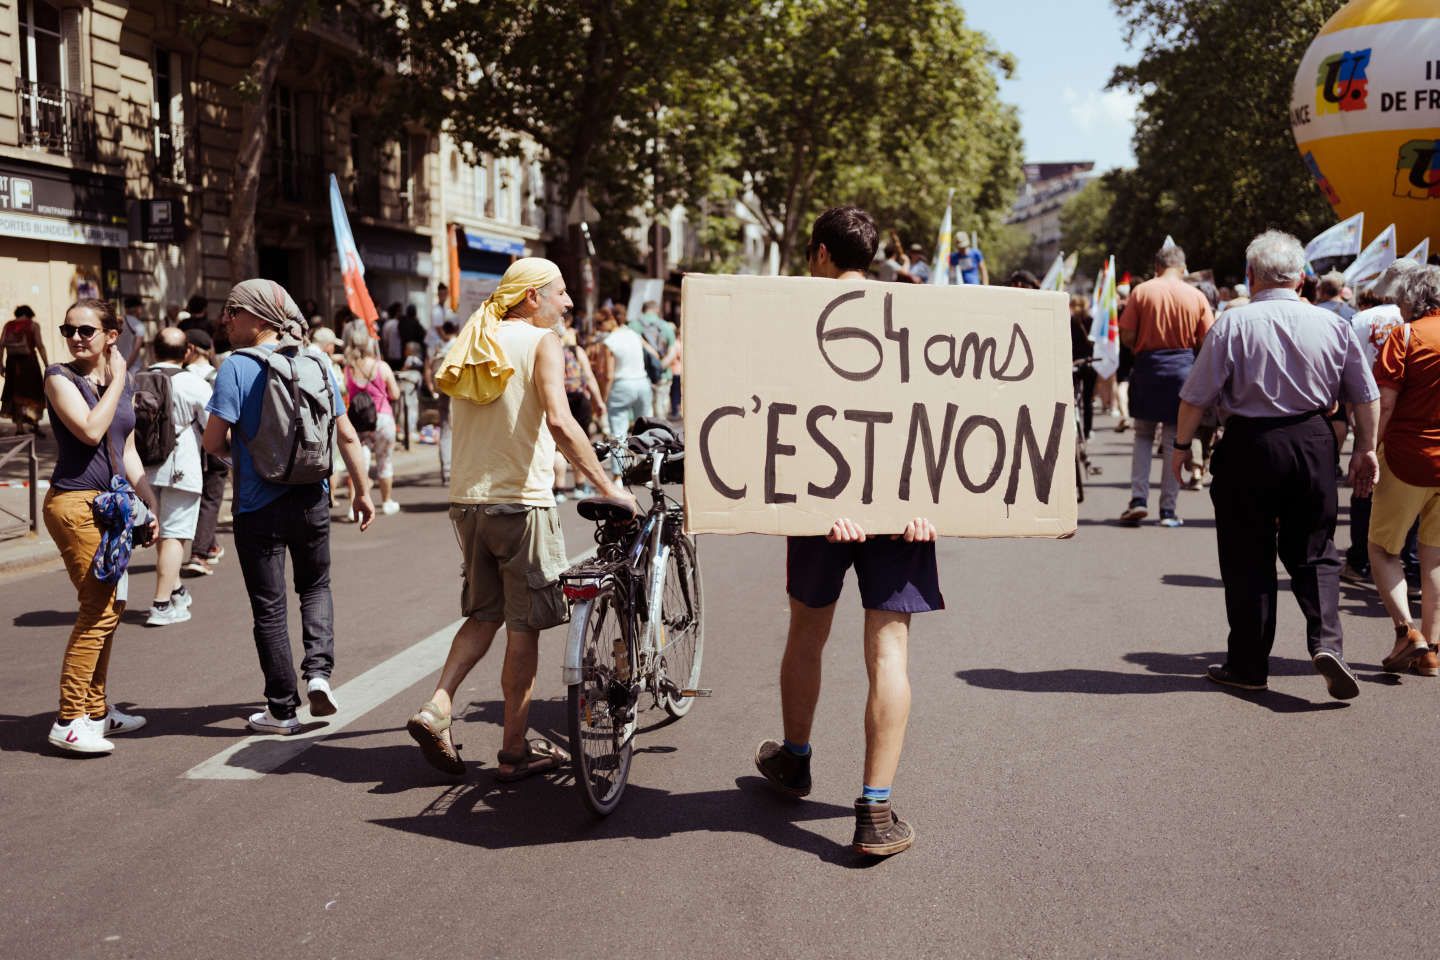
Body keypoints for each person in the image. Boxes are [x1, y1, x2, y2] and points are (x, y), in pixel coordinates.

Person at [753, 205, 940, 858]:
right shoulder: (916, 320)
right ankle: (875, 811)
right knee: (889, 651)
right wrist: (929, 500)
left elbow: (773, 406)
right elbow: (941, 412)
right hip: (903, 507)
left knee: (808, 631)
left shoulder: (792, 319)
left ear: (821, 255)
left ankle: (796, 759)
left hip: (817, 505)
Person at [405, 257, 636, 780]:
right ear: (532, 298)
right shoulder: (539, 343)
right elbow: (560, 420)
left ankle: (438, 706)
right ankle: (514, 751)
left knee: (483, 616)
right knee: (524, 627)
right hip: (521, 504)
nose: (569, 302)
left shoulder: (473, 337)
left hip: (468, 503)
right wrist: (610, 488)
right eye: (560, 293)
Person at [1172, 230, 1379, 701]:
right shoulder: (1334, 325)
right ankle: (1327, 643)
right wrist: (1366, 448)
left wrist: (1181, 448)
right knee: (1317, 550)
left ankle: (1247, 665)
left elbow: (1195, 396)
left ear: (1251, 277)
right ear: (1302, 279)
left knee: (1248, 556)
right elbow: (1364, 395)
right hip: (1312, 438)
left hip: (1249, 444)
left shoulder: (1232, 323)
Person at [202, 279, 375, 735]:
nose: (226, 319)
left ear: (257, 317)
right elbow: (348, 434)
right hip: (313, 499)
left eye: (232, 311)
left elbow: (212, 441)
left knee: (270, 607)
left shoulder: (235, 367)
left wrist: (245, 456)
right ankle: (319, 674)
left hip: (258, 507)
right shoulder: (316, 360)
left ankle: (281, 710)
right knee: (316, 587)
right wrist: (362, 491)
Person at [42, 299, 160, 754]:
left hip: (112, 506)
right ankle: (69, 719)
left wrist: (148, 504)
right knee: (99, 610)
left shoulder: (116, 383)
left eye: (86, 330)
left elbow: (125, 449)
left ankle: (96, 710)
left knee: (113, 607)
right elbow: (91, 430)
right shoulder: (59, 377)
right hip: (74, 505)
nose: (75, 338)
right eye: (69, 329)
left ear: (110, 334)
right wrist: (121, 378)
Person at [1366, 266, 1440, 677]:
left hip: (1408, 456)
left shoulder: (1407, 336)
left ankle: (1406, 632)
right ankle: (1432, 652)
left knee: (1382, 548)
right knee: (1435, 556)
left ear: (1413, 298)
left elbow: (1387, 402)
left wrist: (1370, 449)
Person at [1118, 242, 1215, 528]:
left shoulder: (1142, 291)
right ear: (1182, 267)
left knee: (1143, 435)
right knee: (1176, 438)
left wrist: (1140, 347)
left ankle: (1138, 498)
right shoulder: (1195, 295)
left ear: (1157, 266)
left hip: (1148, 367)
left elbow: (1127, 332)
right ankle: (1169, 509)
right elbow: (1207, 338)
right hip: (1182, 371)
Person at [1342, 260, 1422, 584]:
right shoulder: (1426, 323)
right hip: (1416, 418)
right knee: (1414, 491)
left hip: (1372, 414)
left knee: (1366, 486)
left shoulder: (1362, 319)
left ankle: (1360, 560)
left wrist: (1354, 418)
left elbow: (1348, 372)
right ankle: (1410, 563)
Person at [141, 327, 212, 626]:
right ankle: (160, 606)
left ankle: (176, 590)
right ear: (187, 353)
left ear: (153, 351)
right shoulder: (193, 383)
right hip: (181, 467)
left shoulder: (135, 378)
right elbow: (214, 426)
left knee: (163, 533)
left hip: (142, 469)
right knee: (175, 536)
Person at [342, 326, 402, 516]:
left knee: (359, 464)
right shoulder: (381, 366)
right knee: (384, 461)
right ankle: (386, 502)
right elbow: (395, 393)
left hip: (359, 422)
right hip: (382, 419)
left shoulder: (348, 369)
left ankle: (355, 507)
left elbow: (345, 391)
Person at [181, 329, 227, 578]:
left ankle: (209, 544)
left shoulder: (178, 376)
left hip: (186, 447)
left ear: (191, 349)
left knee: (201, 498)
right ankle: (198, 553)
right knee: (211, 497)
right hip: (214, 444)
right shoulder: (218, 376)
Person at [600, 306, 653, 467]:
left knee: (618, 432)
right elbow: (654, 354)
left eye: (601, 322)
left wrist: (603, 398)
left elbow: (608, 374)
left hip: (622, 385)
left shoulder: (609, 341)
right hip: (642, 383)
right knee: (644, 430)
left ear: (611, 320)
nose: (599, 327)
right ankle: (648, 469)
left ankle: (619, 475)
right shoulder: (635, 335)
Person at [1, 305, 48, 434]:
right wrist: (47, 364)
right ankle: (35, 425)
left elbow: (1, 346)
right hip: (29, 363)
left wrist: (0, 365)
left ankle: (20, 428)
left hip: (12, 364)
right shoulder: (33, 325)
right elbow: (40, 345)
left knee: (15, 393)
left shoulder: (8, 325)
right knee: (34, 393)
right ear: (30, 314)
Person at [424, 320, 459, 484]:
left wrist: (432, 387)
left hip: (442, 391)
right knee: (458, 430)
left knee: (445, 428)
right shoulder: (460, 344)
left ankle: (446, 471)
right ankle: (455, 470)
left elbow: (428, 366)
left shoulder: (437, 346)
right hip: (458, 392)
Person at [1069, 295, 1096, 440]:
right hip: (1090, 363)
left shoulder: (1069, 322)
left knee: (1073, 398)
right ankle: (1087, 430)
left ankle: (1074, 428)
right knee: (1088, 399)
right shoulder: (1092, 321)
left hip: (1074, 364)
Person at [119, 296, 147, 374]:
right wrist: (127, 366)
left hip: (117, 364)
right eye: (141, 307)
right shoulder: (138, 325)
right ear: (137, 309)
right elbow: (136, 349)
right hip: (132, 367)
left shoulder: (118, 322)